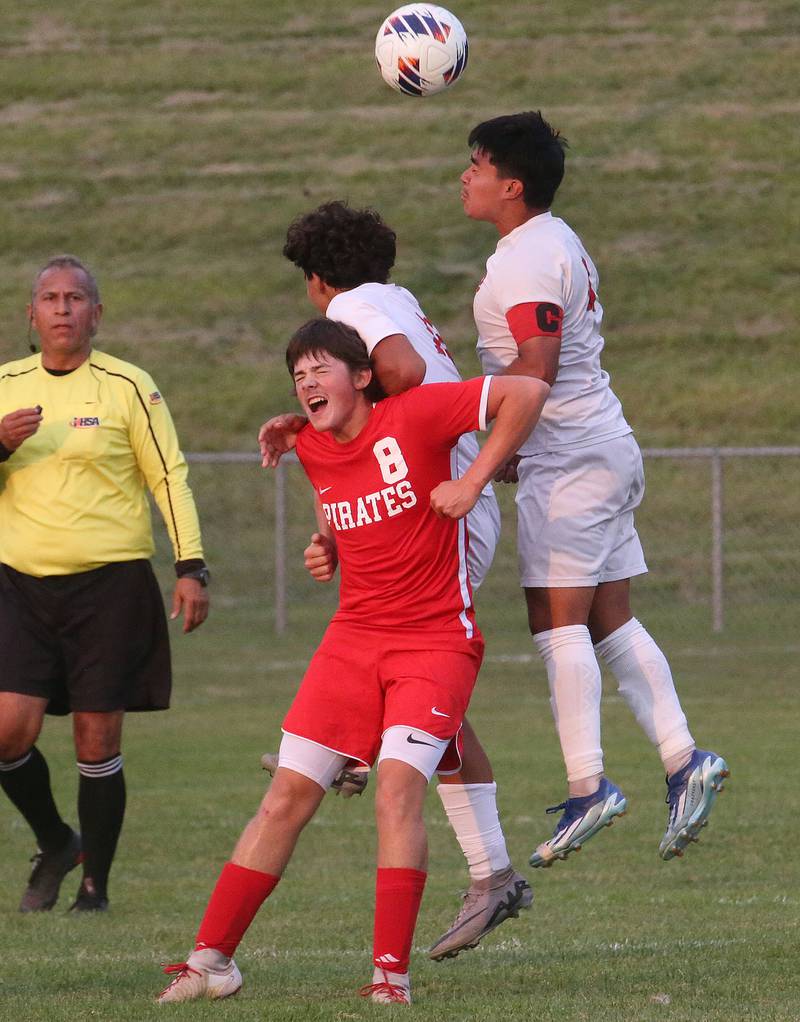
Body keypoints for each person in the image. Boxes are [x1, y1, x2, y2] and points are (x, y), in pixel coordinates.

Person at [157, 318, 549, 1006]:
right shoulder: (310, 444)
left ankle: (388, 981)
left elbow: (526, 391)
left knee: (397, 789)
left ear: (363, 376)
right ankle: (209, 963)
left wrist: (475, 480)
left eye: (320, 369)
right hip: (352, 640)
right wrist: (327, 544)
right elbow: (338, 500)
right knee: (284, 797)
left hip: (435, 642)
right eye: (298, 375)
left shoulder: (417, 413)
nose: (307, 383)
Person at [258, 200, 531, 962]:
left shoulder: (351, 308)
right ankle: (483, 862)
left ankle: (479, 860)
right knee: (419, 692)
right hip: (429, 495)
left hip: (439, 507)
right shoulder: (393, 297)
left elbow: (403, 377)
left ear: (316, 280)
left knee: (419, 667)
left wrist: (425, 455)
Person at [458, 111, 728, 866]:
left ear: (512, 185)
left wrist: (485, 464)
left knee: (555, 618)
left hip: (574, 459)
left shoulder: (526, 259)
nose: (466, 177)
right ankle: (684, 760)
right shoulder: (552, 238)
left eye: (477, 165)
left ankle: (590, 787)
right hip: (598, 444)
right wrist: (513, 448)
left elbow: (537, 370)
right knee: (610, 617)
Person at [0, 255, 209, 912]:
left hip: (111, 585)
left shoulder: (127, 385)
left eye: (76, 298)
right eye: (51, 299)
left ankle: (96, 887)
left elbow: (168, 476)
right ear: (30, 316)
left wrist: (190, 566)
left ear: (97, 313)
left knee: (97, 735)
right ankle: (58, 841)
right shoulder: (4, 385)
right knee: (7, 734)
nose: (63, 309)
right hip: (19, 586)